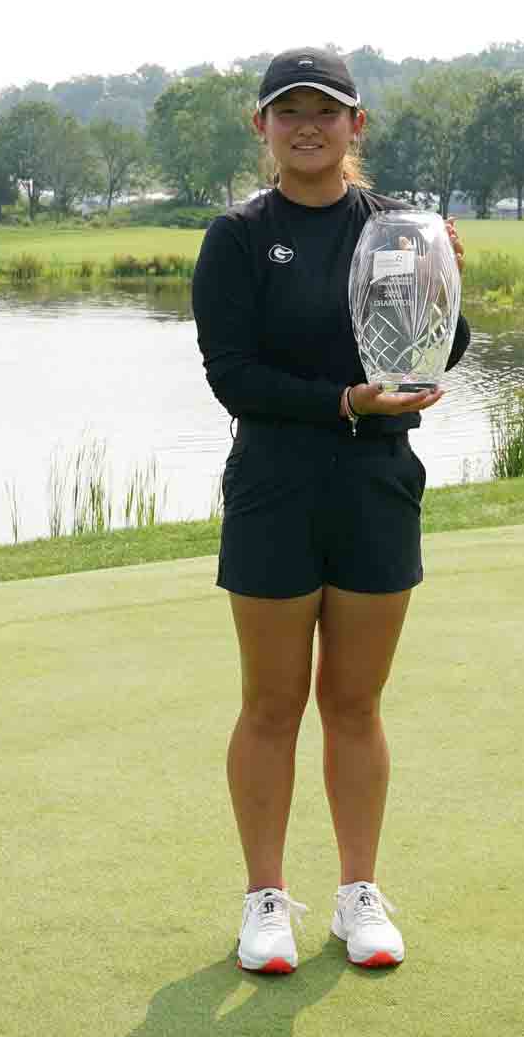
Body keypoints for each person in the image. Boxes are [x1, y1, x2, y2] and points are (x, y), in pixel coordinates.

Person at [190, 47, 470, 974]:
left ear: (357, 126)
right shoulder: (237, 237)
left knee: (354, 701)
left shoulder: (397, 229)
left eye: (327, 110)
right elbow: (231, 375)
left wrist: (446, 278)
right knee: (271, 703)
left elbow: (436, 350)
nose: (306, 124)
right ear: (262, 127)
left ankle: (359, 896)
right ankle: (264, 901)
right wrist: (341, 401)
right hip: (274, 484)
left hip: (375, 484)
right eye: (287, 111)